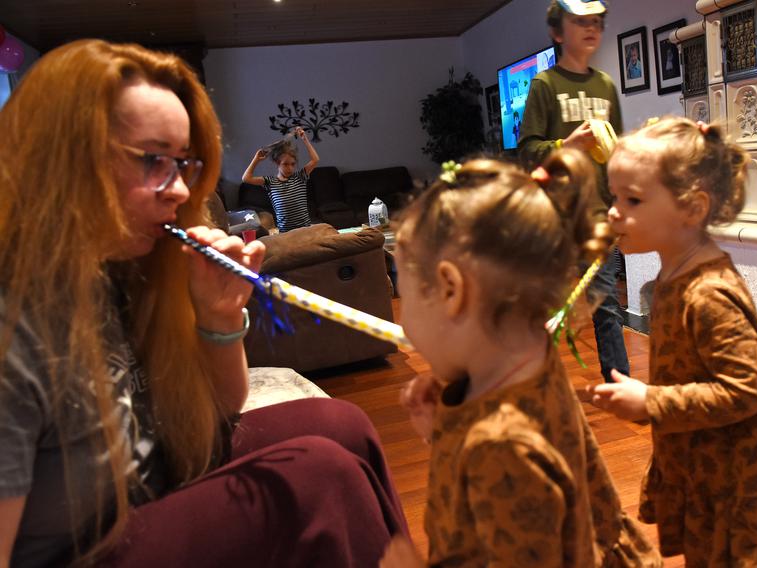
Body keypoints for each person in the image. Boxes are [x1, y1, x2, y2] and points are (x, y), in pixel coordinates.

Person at [0, 39, 407, 567]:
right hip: (82, 546)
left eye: (183, 165)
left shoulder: (129, 272)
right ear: (59, 158)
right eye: (151, 161)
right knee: (318, 476)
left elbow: (218, 414)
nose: (175, 190)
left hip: (146, 488)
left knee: (342, 427)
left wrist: (218, 318)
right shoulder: (18, 326)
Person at [379, 152, 661, 567]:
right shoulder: (535, 356)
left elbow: (506, 469)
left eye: (404, 296)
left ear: (451, 290)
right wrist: (445, 430)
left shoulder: (500, 453)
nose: (405, 319)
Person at [587, 117, 757, 566]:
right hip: (709, 473)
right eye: (613, 197)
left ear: (692, 209)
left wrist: (652, 401)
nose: (614, 212)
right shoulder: (672, 276)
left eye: (632, 199)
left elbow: (746, 389)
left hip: (740, 487)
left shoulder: (709, 293)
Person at [519, 0, 630, 383]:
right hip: (554, 216)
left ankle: (619, 381)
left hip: (597, 212)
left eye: (596, 22)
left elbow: (617, 149)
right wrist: (566, 145)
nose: (590, 28)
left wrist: (623, 200)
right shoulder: (544, 85)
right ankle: (534, 383)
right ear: (557, 32)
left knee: (607, 303)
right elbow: (528, 151)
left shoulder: (605, 85)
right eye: (579, 21)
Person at [241, 126, 319, 233]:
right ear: (277, 163)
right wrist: (256, 160)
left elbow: (315, 160)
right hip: (285, 233)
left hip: (304, 230)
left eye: (292, 164)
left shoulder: (300, 176)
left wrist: (305, 140)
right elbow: (246, 178)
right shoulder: (270, 182)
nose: (290, 168)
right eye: (285, 164)